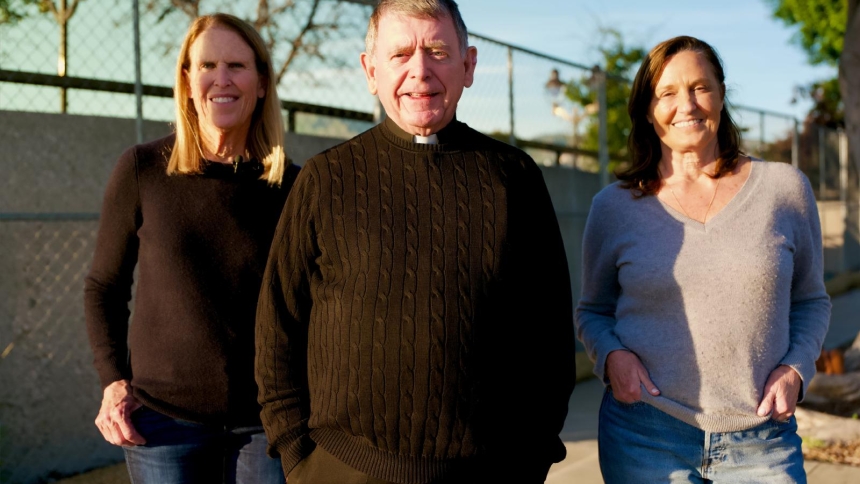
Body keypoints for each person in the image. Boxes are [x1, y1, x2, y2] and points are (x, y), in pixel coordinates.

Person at [254, 1, 577, 483]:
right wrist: (299, 459)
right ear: (371, 70)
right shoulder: (326, 178)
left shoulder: (513, 178)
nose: (420, 72)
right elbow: (278, 323)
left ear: (468, 66)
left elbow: (548, 335)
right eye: (401, 54)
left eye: (438, 51)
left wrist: (529, 460)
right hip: (342, 471)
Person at [575, 35, 831, 483]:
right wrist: (612, 356)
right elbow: (593, 311)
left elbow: (812, 300)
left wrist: (796, 368)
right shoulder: (613, 208)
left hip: (763, 440)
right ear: (647, 109)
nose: (687, 105)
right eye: (667, 93)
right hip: (644, 435)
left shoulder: (785, 190)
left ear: (721, 94)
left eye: (700, 87)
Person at [84, 13, 299, 483]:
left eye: (237, 66)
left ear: (262, 83)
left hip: (267, 424)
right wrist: (112, 380)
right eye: (207, 65)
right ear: (187, 79)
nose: (221, 79)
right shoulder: (142, 169)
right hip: (162, 424)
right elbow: (104, 285)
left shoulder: (293, 187)